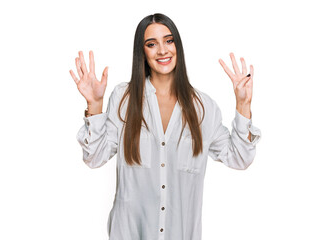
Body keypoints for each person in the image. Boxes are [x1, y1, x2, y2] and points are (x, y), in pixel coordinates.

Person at [70, 13, 261, 240]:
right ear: (142, 52)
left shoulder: (204, 108)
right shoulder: (124, 98)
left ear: (177, 46)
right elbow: (94, 158)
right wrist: (94, 105)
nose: (162, 50)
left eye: (168, 41)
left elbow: (239, 158)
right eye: (152, 44)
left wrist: (243, 104)